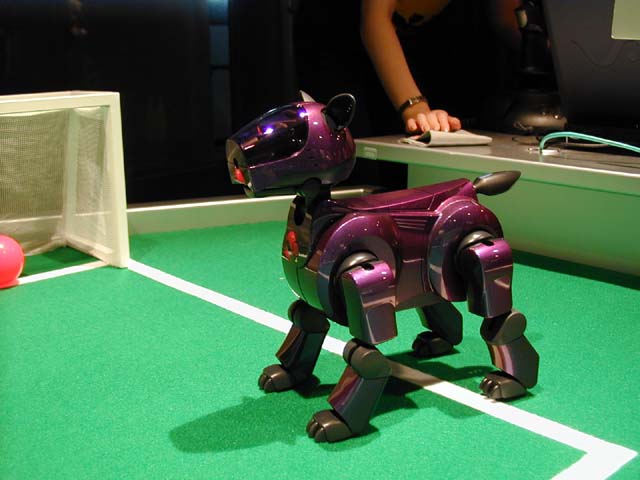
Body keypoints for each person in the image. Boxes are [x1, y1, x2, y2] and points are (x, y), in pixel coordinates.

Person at [361, 0, 521, 134]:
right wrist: (417, 109)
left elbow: (507, 19)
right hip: (363, 63)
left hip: (425, 49)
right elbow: (375, 20)